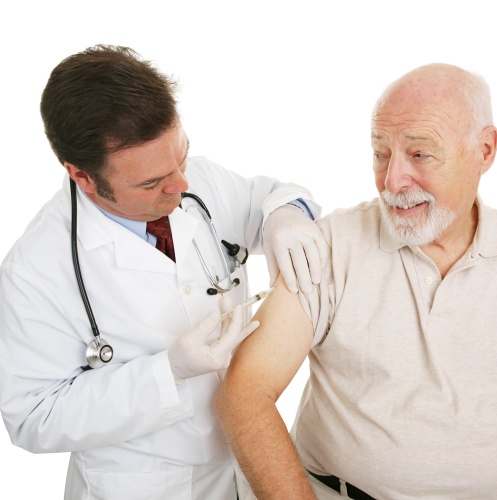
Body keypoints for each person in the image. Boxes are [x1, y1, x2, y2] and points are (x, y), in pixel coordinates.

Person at [216, 63, 497, 499]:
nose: (392, 180)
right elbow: (245, 392)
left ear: (485, 150)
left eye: (419, 154)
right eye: (380, 154)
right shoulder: (331, 245)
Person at [0, 45, 328, 499]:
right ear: (82, 176)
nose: (181, 186)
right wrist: (167, 372)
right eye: (152, 183)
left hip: (247, 464)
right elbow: (33, 418)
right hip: (144, 486)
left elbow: (274, 195)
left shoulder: (198, 184)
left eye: (183, 158)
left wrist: (286, 215)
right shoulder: (37, 269)